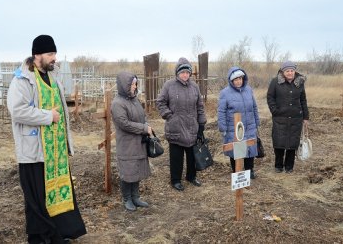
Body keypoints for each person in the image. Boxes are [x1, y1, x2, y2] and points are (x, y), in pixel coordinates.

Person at [7, 35, 86, 243]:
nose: (54, 58)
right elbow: (17, 112)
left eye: (54, 54)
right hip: (34, 151)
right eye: (50, 54)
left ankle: (60, 233)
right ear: (37, 55)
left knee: (57, 193)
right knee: (37, 200)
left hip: (55, 151)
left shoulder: (52, 77)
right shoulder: (22, 80)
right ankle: (41, 238)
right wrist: (47, 116)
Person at [156, 57, 207, 191]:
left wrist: (201, 124)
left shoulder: (194, 87)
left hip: (191, 127)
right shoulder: (169, 85)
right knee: (176, 156)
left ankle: (191, 176)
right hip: (176, 127)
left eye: (187, 72)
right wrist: (169, 116)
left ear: (190, 73)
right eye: (182, 72)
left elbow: (200, 106)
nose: (185, 75)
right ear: (177, 73)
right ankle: (175, 180)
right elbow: (160, 102)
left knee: (192, 155)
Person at [111, 71, 152, 211]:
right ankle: (127, 198)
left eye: (135, 84)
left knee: (137, 170)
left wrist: (146, 124)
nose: (135, 86)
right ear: (124, 85)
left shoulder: (134, 99)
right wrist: (143, 128)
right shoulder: (117, 103)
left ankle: (135, 197)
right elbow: (124, 124)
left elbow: (142, 116)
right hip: (127, 144)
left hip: (138, 142)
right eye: (132, 84)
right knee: (127, 172)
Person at [267, 61, 309, 173]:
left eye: (292, 70)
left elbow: (303, 100)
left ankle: (289, 167)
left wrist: (305, 117)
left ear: (294, 71)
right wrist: (274, 111)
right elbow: (270, 97)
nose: (290, 73)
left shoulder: (300, 82)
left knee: (292, 143)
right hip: (280, 117)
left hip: (296, 118)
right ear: (283, 72)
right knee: (279, 142)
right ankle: (278, 166)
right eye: (287, 71)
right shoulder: (275, 82)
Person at [218, 67, 260, 178]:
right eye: (236, 79)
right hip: (234, 127)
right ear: (231, 81)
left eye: (240, 78)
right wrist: (223, 128)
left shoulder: (249, 90)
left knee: (250, 148)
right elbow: (221, 111)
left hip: (249, 125)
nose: (238, 81)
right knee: (237, 149)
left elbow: (254, 107)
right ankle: (237, 172)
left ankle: (249, 170)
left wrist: (257, 122)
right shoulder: (225, 93)